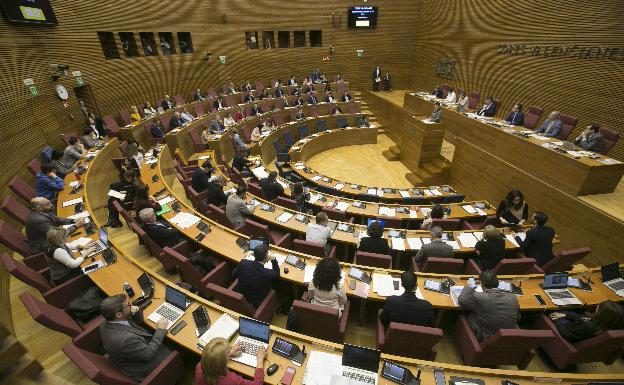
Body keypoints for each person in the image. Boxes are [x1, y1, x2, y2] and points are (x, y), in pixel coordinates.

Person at [100, 294, 171, 382]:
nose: (131, 306)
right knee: (174, 346)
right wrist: (160, 330)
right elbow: (148, 354)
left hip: (133, 352)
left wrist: (136, 312)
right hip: (145, 366)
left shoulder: (106, 323)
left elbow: (135, 323)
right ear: (118, 314)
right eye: (128, 305)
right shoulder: (125, 340)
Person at [458, 270, 520, 341]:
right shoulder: (512, 297)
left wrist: (470, 286)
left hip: (486, 337)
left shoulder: (481, 297)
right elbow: (518, 317)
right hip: (508, 338)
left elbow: (462, 301)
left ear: (482, 284)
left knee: (468, 313)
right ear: (497, 283)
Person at [195, 337, 265, 385]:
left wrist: (227, 354)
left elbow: (213, 360)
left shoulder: (199, 367)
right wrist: (260, 359)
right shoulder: (231, 380)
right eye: (228, 352)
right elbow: (258, 384)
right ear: (222, 363)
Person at [548, 300, 624, 343]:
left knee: (555, 310)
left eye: (600, 307)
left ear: (603, 315)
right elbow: (584, 318)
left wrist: (555, 319)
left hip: (566, 332)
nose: (597, 306)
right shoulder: (604, 324)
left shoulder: (588, 326)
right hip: (576, 327)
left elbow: (566, 333)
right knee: (569, 312)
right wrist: (565, 315)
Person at [233, 243, 279, 308]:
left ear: (254, 255)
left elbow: (234, 274)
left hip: (239, 296)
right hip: (255, 303)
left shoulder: (243, 262)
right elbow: (277, 274)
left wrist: (247, 258)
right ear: (267, 257)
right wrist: (274, 259)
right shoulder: (268, 273)